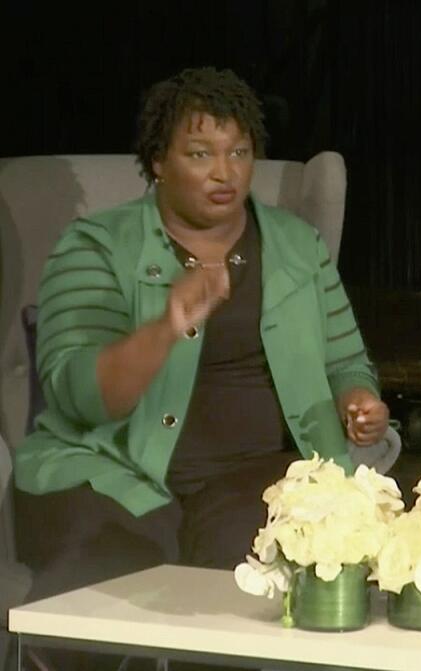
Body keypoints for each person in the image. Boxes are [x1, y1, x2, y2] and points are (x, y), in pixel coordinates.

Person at [14, 67, 389, 618]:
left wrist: (358, 401)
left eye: (238, 153)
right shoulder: (94, 246)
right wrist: (164, 329)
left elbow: (347, 361)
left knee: (243, 589)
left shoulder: (296, 245)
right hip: (108, 472)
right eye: (200, 154)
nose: (225, 172)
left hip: (257, 482)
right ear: (158, 163)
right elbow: (80, 397)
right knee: (109, 578)